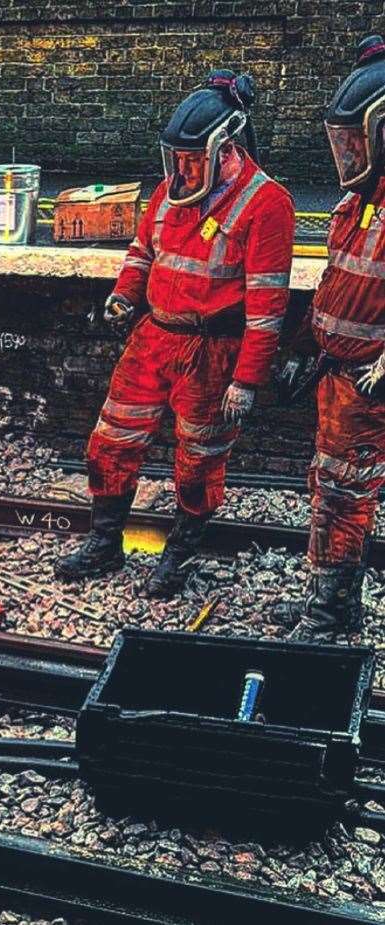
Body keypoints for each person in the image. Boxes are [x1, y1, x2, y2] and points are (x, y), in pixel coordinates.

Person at [55, 70, 296, 598]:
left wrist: (246, 380)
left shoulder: (266, 204)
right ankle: (105, 543)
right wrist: (125, 293)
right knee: (111, 439)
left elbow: (267, 307)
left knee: (198, 461)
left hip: (213, 350)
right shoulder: (171, 191)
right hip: (154, 337)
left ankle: (179, 557)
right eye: (178, 160)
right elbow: (142, 253)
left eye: (192, 161)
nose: (183, 172)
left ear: (226, 149)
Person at [281, 36, 385, 638]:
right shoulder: (358, 203)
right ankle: (330, 599)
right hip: (338, 373)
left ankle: (331, 613)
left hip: (369, 384)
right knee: (327, 484)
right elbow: (339, 285)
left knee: (346, 492)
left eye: (355, 143)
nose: (346, 156)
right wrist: (309, 350)